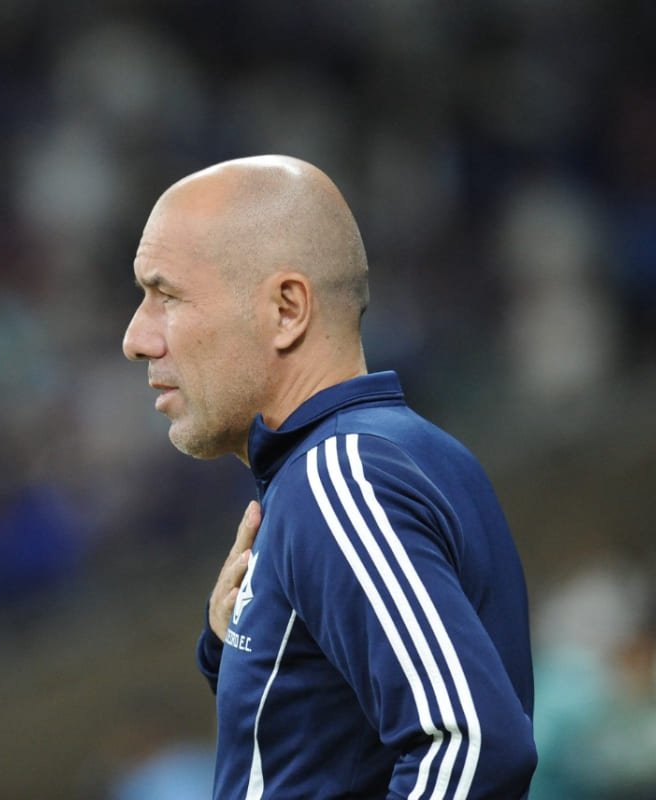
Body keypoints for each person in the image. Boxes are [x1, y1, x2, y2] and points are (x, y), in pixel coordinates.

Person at [121, 155, 537, 798]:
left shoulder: (339, 477)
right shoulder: (377, 461)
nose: (136, 338)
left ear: (287, 309)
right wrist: (229, 647)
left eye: (166, 295)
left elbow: (471, 746)